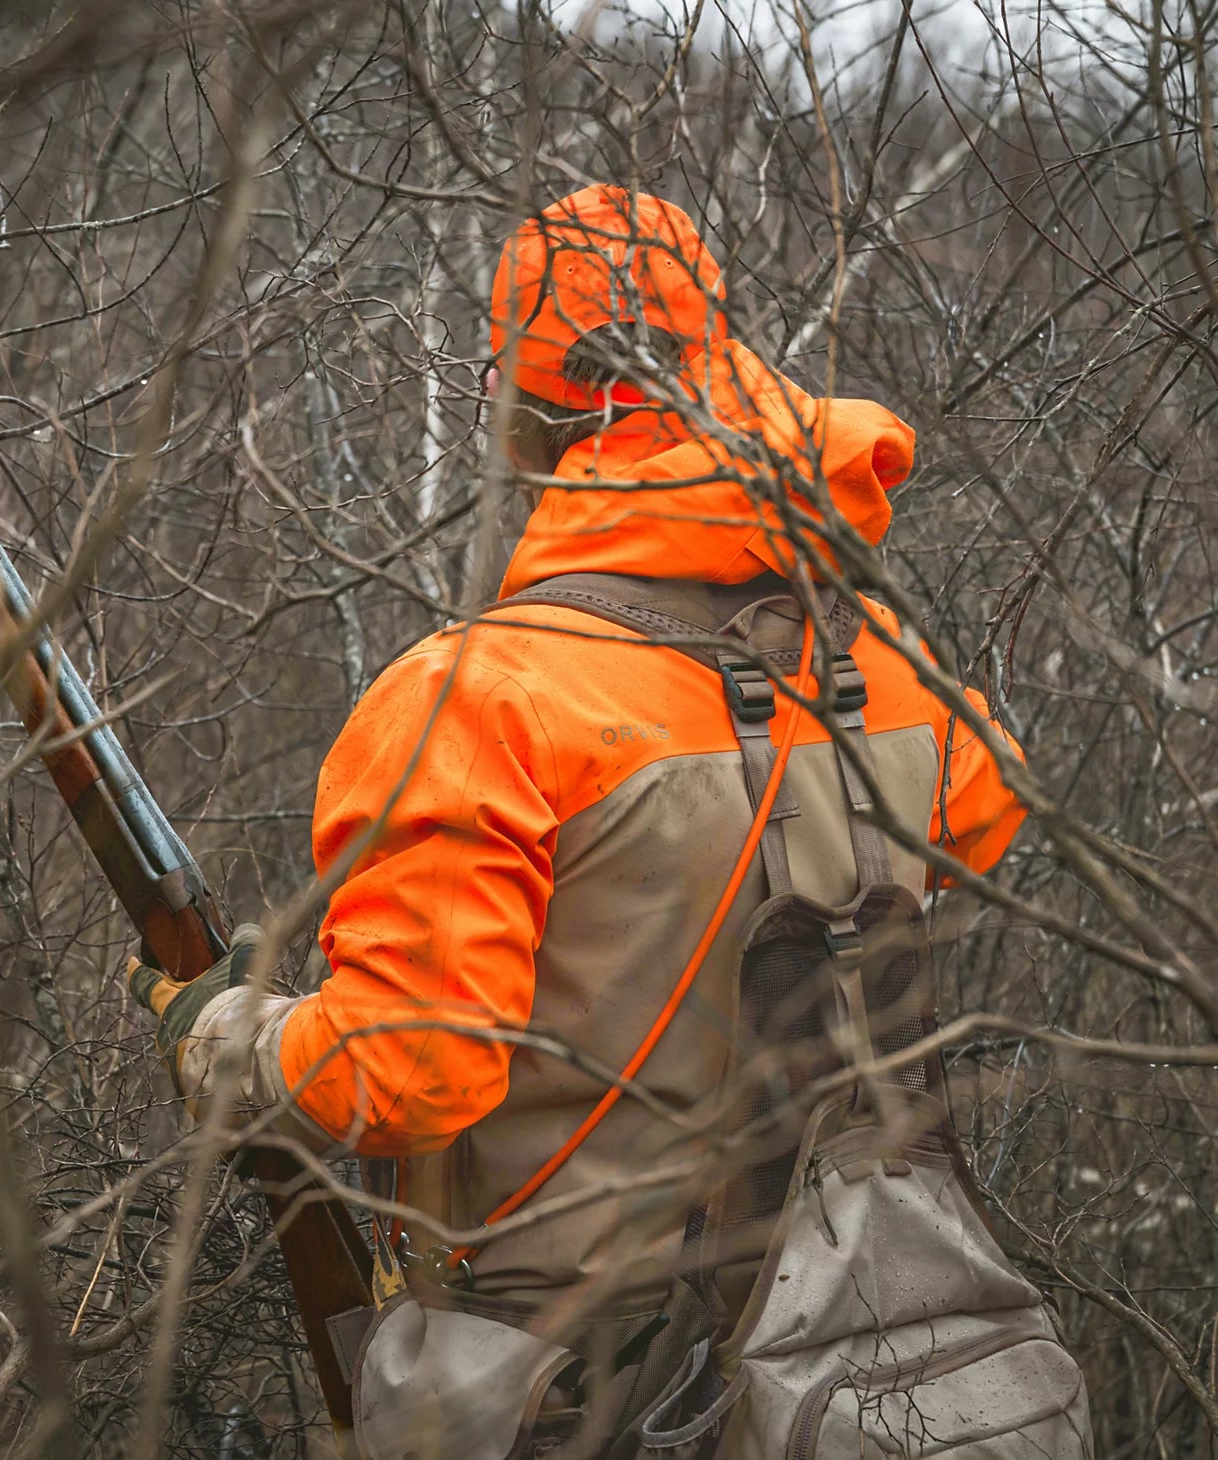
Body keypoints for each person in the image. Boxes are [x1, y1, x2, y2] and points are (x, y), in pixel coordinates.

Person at [130, 186, 1044, 1457]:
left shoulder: (479, 697)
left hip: (576, 1388)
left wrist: (221, 1029)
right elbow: (987, 817)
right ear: (718, 359)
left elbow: (411, 1066)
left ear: (517, 411)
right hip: (870, 1359)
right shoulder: (888, 664)